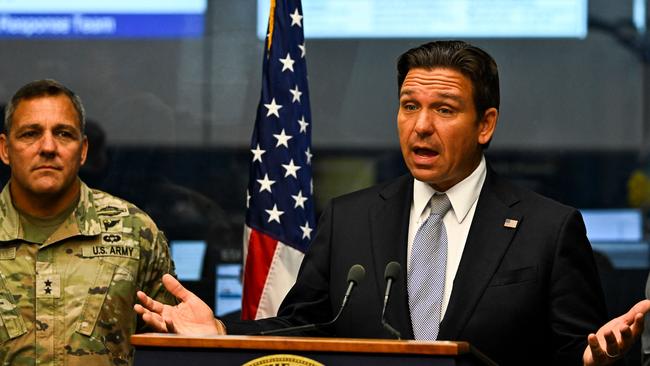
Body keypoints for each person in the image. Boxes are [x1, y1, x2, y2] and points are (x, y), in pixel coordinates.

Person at [135, 41, 650, 365]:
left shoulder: (548, 228)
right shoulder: (350, 217)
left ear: (486, 124)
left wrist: (597, 359)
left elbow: (579, 348)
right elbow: (304, 325)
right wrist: (221, 330)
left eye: (443, 109)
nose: (420, 126)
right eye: (409, 106)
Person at [0, 79, 176, 365]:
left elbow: (169, 347)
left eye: (63, 134)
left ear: (82, 151)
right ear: (5, 149)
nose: (47, 147)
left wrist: (214, 331)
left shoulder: (134, 232)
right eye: (30, 134)